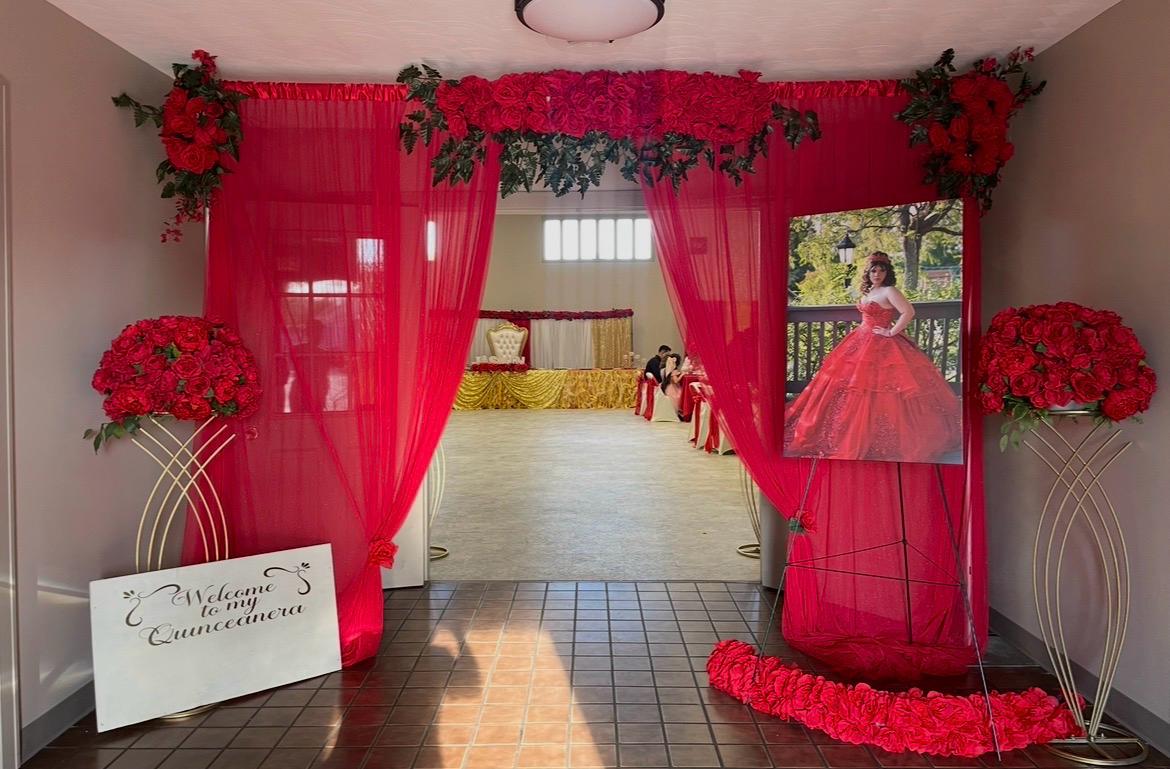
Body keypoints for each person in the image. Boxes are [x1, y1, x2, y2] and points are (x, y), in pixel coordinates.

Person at [784, 251, 961, 463]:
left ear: (888, 272)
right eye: (873, 270)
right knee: (852, 389)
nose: (877, 274)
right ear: (868, 273)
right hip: (860, 340)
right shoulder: (869, 292)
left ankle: (873, 439)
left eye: (882, 270)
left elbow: (909, 312)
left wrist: (891, 332)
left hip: (882, 342)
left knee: (882, 391)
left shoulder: (890, 290)